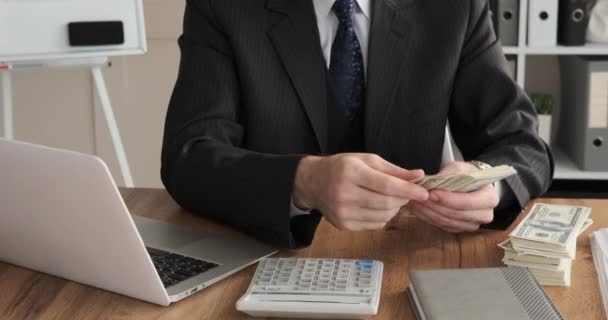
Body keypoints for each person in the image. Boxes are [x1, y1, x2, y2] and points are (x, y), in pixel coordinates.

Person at [161, 0, 553, 248]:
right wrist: (303, 181)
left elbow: (523, 144)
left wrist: (490, 184)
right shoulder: (222, 7)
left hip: (405, 258)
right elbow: (188, 156)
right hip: (264, 258)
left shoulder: (453, 7)